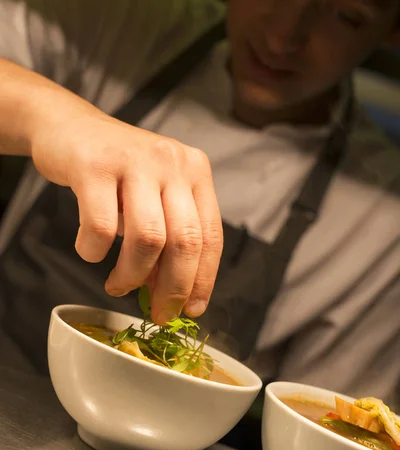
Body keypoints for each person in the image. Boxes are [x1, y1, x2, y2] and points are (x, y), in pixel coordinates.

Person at [0, 0, 399, 413]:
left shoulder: (384, 218)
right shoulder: (120, 23)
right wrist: (56, 118)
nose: (283, 38)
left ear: (393, 31)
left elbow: (334, 428)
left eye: (346, 16)